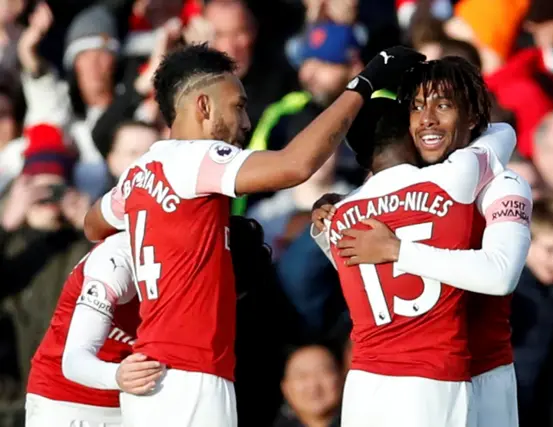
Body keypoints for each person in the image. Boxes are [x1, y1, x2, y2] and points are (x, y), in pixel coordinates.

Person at [82, 43, 425, 427]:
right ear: (203, 107)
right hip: (192, 375)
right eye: (239, 106)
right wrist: (364, 84)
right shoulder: (196, 157)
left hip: (153, 379)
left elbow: (93, 224)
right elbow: (295, 165)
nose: (246, 123)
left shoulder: (138, 172)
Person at [312, 58, 532, 427]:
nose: (427, 118)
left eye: (442, 106)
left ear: (474, 118)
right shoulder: (438, 185)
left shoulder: (504, 185)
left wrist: (396, 248)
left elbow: (500, 273)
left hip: (485, 376)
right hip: (431, 381)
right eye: (415, 108)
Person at [24, 232, 158, 427]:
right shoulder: (116, 258)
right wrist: (116, 376)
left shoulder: (200, 258)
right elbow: (73, 361)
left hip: (135, 402)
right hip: (65, 401)